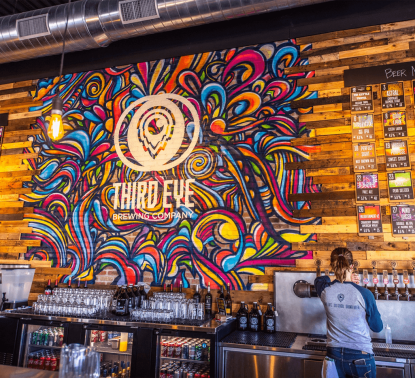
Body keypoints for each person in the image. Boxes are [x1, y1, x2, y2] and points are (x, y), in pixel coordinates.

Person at [315, 248, 383, 378]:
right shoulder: (365, 294)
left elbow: (319, 280)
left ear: (333, 266)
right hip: (361, 356)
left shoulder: (325, 291)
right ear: (352, 266)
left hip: (333, 356)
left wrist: (342, 280)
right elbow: (377, 327)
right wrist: (351, 282)